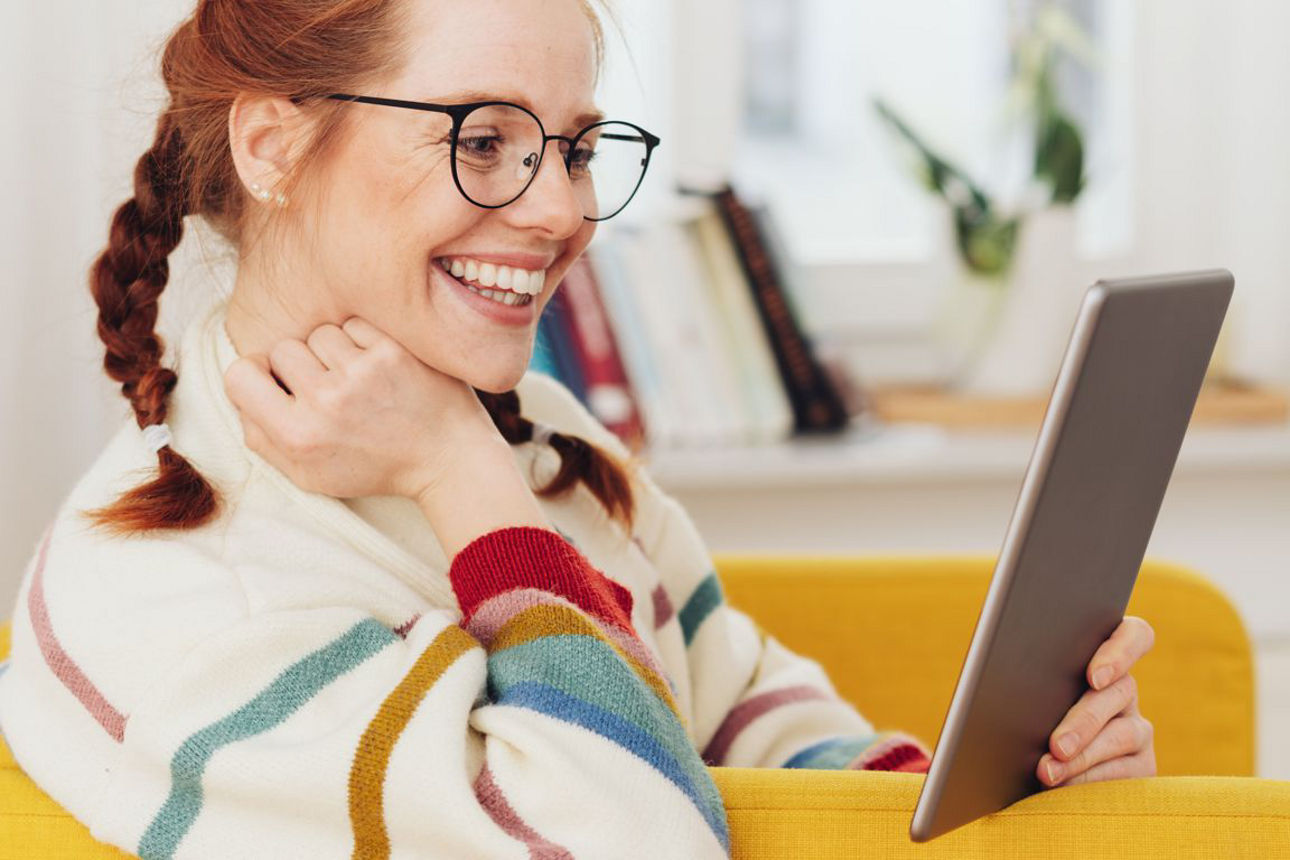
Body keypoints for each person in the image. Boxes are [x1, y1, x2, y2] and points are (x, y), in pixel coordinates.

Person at [0, 0, 1157, 856]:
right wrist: (460, 475)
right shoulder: (172, 596)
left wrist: (1014, 800)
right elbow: (631, 840)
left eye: (578, 148)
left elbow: (738, 707)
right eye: (483, 141)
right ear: (271, 147)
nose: (564, 210)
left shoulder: (545, 440)